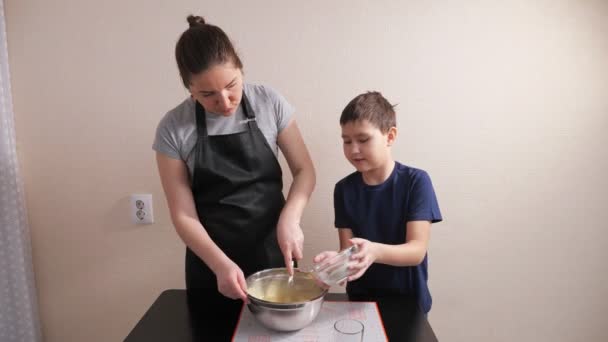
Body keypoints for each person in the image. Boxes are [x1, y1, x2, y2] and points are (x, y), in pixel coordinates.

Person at [153, 15, 315, 313]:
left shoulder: (269, 102)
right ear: (189, 89)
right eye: (208, 95)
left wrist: (290, 219)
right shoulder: (173, 128)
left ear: (241, 68)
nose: (225, 102)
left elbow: (305, 171)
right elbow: (183, 215)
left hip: (273, 251)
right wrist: (219, 264)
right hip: (211, 263)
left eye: (232, 85)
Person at [314, 91, 442, 314]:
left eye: (363, 140)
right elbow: (350, 251)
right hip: (360, 301)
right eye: (346, 141)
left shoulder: (416, 182)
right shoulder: (343, 189)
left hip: (407, 302)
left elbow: (416, 251)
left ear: (390, 136)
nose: (354, 149)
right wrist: (332, 267)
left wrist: (374, 251)